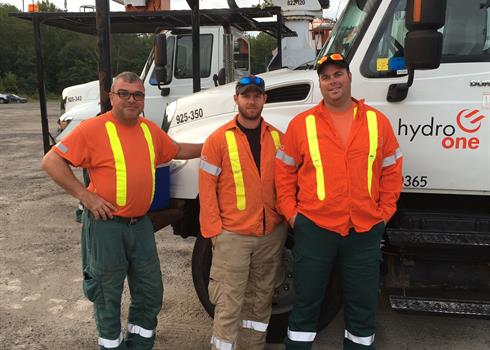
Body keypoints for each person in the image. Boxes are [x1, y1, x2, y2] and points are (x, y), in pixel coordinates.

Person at [41, 71, 202, 350]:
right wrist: (85, 197)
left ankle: (140, 344)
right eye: (124, 93)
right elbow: (51, 161)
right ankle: (111, 346)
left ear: (143, 99)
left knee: (150, 292)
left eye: (137, 94)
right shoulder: (94, 129)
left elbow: (177, 149)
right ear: (111, 97)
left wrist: (214, 144)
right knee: (106, 294)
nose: (131, 99)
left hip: (141, 226)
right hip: (106, 227)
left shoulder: (149, 130)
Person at [275, 53, 403, 350]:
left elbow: (392, 171)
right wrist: (293, 216)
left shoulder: (377, 122)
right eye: (326, 77)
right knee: (306, 304)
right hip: (315, 229)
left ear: (349, 77)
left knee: (362, 307)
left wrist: (384, 214)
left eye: (338, 74)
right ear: (320, 83)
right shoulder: (302, 124)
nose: (332, 81)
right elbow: (284, 174)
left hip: (364, 230)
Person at [199, 75, 287, 350]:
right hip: (232, 236)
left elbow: (287, 182)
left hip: (270, 235)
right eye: (246, 96)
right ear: (236, 99)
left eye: (257, 95)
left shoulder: (277, 138)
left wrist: (282, 220)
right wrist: (215, 232)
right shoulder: (218, 140)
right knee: (228, 302)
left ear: (264, 99)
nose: (252, 101)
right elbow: (206, 189)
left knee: (261, 303)